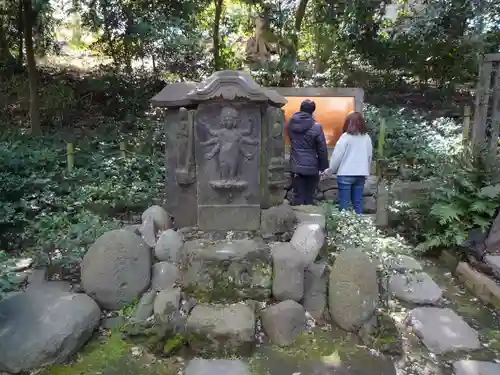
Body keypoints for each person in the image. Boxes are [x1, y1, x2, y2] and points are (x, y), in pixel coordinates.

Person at [322, 111, 373, 214]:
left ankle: (343, 225)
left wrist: (330, 170)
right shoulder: (366, 137)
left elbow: (337, 157)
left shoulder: (345, 137)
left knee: (344, 203)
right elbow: (369, 156)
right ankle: (360, 225)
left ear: (348, 123)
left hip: (345, 174)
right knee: (358, 202)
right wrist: (367, 171)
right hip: (361, 174)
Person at [287, 99, 329, 206]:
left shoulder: (290, 124)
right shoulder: (316, 127)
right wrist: (323, 167)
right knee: (309, 196)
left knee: (298, 195)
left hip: (295, 165)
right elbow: (322, 149)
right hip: (312, 167)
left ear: (300, 108)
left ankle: (298, 219)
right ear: (312, 111)